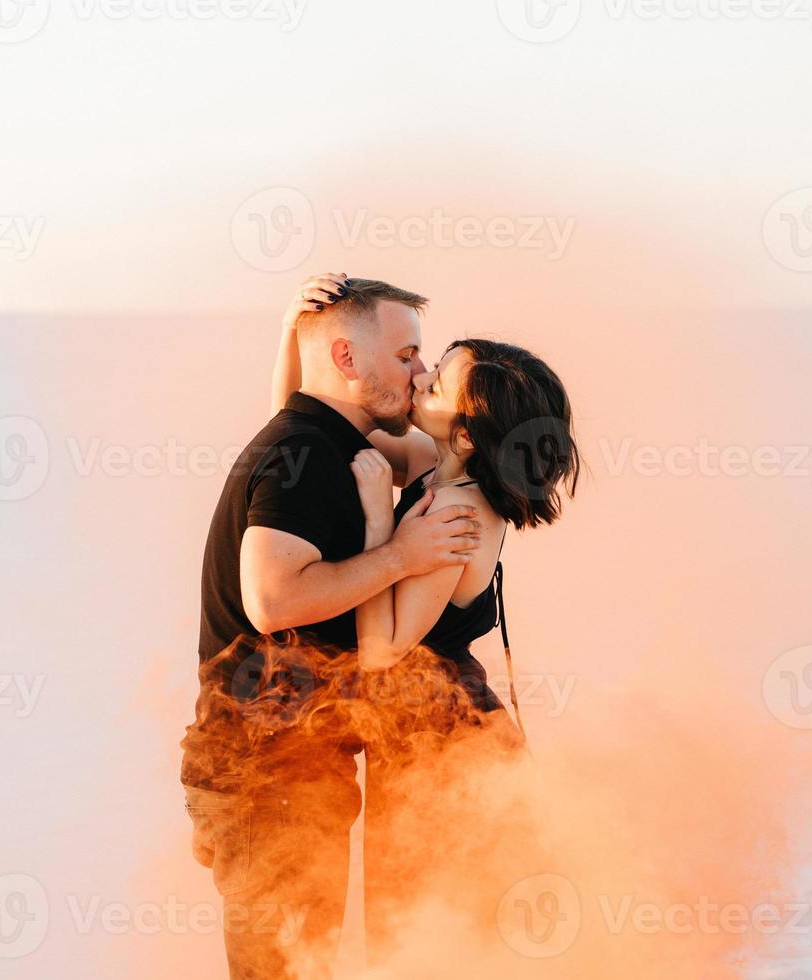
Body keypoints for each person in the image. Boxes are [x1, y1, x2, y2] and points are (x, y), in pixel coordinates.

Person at [269, 273, 584, 966]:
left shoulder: (457, 510)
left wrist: (383, 521)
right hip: (418, 736)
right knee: (413, 936)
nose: (418, 381)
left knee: (430, 936)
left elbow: (382, 650)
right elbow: (300, 442)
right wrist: (297, 336)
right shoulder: (439, 468)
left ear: (467, 433)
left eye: (436, 384)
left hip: (444, 746)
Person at [179, 275, 485, 979]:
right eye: (408, 353)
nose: (419, 371)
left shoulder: (322, 440)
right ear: (348, 360)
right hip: (262, 774)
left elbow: (294, 407)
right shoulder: (308, 452)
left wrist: (293, 333)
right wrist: (400, 555)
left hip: (295, 768)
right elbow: (274, 599)